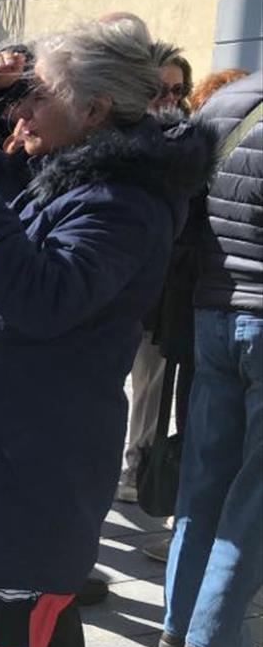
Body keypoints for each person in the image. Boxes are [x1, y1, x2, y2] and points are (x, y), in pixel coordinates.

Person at [0, 20, 216, 647]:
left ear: (94, 109)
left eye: (35, 95)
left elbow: (43, 296)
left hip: (38, 453)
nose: (18, 111)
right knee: (30, 639)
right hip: (14, 440)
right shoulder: (78, 171)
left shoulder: (121, 201)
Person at [160, 71, 262, 647]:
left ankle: (179, 619)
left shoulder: (224, 100)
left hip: (212, 307)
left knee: (205, 473)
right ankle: (216, 640)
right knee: (255, 487)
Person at [117, 47, 196, 506]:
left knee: (149, 383)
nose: (167, 99)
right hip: (110, 284)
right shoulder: (115, 134)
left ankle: (136, 468)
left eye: (176, 90)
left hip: (160, 287)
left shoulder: (186, 144)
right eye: (158, 89)